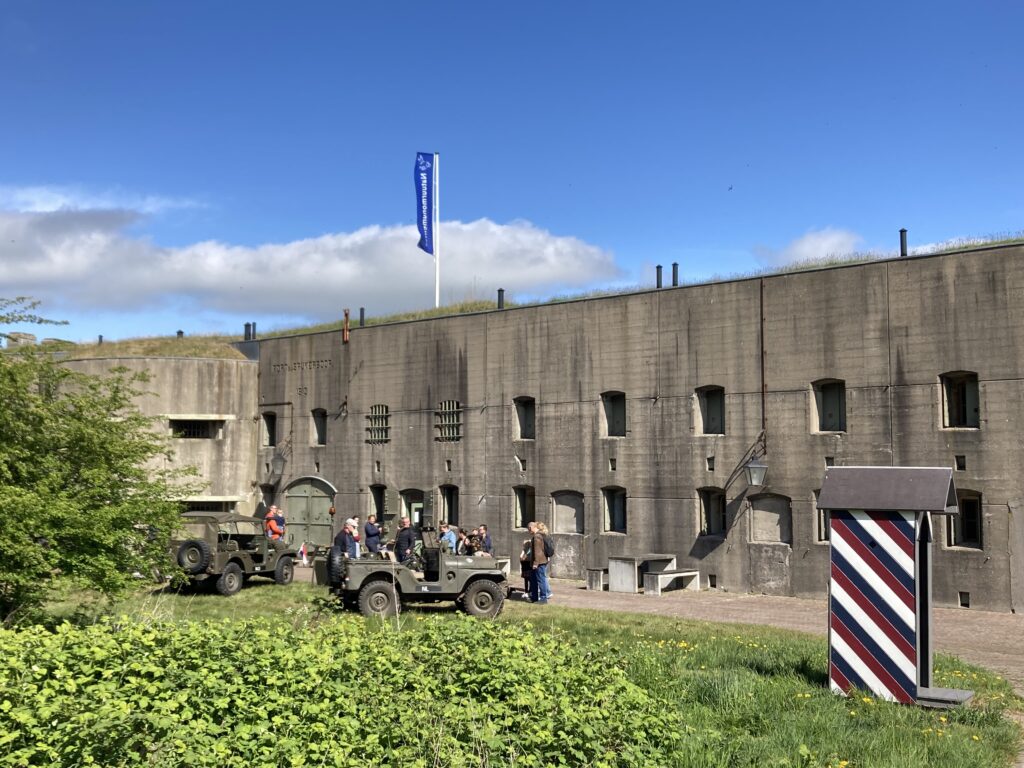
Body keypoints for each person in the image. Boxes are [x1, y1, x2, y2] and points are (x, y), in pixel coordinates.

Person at [528, 521, 549, 604]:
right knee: (533, 580)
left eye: (529, 529)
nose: (529, 531)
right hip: (539, 562)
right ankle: (534, 597)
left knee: (541, 580)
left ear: (531, 528)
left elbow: (538, 551)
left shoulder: (537, 536)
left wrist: (535, 563)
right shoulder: (539, 535)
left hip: (539, 563)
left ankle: (543, 599)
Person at [536, 522, 553, 601]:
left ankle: (545, 593)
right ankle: (548, 591)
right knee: (544, 575)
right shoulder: (547, 535)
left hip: (542, 558)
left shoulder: (540, 536)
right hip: (547, 557)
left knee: (542, 577)